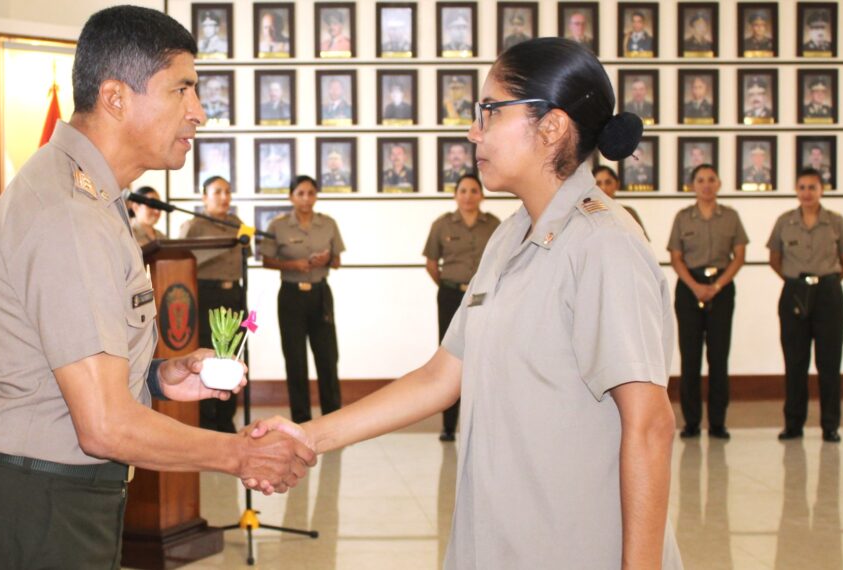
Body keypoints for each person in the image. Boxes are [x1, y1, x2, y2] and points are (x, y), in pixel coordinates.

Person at [252, 38, 682, 568]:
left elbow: (650, 424)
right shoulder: (510, 237)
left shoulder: (604, 244)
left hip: (574, 545)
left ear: (551, 127)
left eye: (489, 112)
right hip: (501, 539)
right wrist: (308, 436)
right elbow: (441, 377)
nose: (473, 131)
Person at [0, 8, 316, 568]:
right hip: (35, 511)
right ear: (116, 97)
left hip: (54, 500)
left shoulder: (94, 198)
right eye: (182, 89)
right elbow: (105, 425)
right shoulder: (68, 213)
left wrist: (159, 376)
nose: (198, 112)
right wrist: (239, 455)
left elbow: (63, 365)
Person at [768, 169, 843, 443]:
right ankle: (793, 424)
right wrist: (798, 284)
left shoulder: (836, 222)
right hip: (794, 291)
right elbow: (775, 259)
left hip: (829, 293)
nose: (807, 192)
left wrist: (824, 283)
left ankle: (831, 426)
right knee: (795, 363)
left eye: (812, 187)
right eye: (802, 187)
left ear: (822, 190)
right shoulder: (785, 221)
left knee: (829, 364)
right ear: (796, 189)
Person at [667, 164, 748, 440]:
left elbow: (738, 256)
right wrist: (695, 286)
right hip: (689, 289)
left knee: (718, 357)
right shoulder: (683, 217)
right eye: (700, 180)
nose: (706, 184)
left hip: (721, 289)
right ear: (693, 186)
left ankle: (717, 423)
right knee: (690, 358)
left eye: (711, 179)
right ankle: (691, 423)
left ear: (719, 183)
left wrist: (716, 286)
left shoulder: (731, 217)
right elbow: (676, 257)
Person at [260, 175, 345, 424]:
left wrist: (326, 260)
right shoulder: (278, 225)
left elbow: (337, 261)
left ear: (316, 196)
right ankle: (302, 420)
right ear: (291, 196)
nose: (306, 198)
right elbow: (266, 260)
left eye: (311, 193)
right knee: (295, 359)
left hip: (320, 294)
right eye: (300, 193)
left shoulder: (328, 223)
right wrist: (291, 264)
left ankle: (333, 418)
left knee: (328, 357)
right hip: (291, 295)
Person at [422, 174, 499, 442]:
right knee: (451, 357)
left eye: (473, 190)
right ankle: (448, 426)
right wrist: (447, 287)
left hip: (483, 297)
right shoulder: (442, 225)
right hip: (450, 295)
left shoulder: (494, 225)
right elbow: (431, 263)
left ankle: (478, 424)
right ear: (456, 195)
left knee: (483, 356)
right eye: (463, 191)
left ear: (482, 195)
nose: (468, 196)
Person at [179, 176, 246, 433]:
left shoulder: (238, 224)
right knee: (208, 355)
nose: (224, 197)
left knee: (232, 355)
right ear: (204, 196)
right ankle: (206, 419)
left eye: (227, 192)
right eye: (217, 192)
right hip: (206, 296)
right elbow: (182, 263)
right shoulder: (193, 225)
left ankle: (226, 419)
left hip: (234, 295)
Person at [592, 165, 646, 237]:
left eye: (608, 182)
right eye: (598, 184)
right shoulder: (586, 215)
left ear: (617, 184)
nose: (603, 188)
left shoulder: (628, 213)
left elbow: (642, 244)